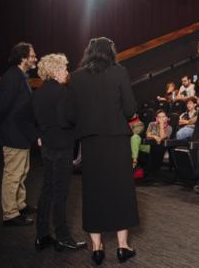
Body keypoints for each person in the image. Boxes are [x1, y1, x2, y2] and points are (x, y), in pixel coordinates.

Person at [64, 37, 138, 264]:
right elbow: (130, 108)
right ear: (111, 52)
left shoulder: (76, 77)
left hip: (91, 141)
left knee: (93, 190)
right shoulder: (120, 72)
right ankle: (123, 247)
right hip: (116, 139)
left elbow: (70, 115)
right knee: (120, 189)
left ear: (89, 52)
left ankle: (97, 247)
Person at [32, 53, 86, 251]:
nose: (66, 72)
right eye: (64, 68)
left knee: (47, 190)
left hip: (46, 147)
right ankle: (63, 236)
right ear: (55, 72)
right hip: (62, 147)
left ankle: (42, 235)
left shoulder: (38, 92)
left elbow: (31, 119)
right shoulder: (64, 93)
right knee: (61, 193)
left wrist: (39, 134)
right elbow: (68, 120)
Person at [0, 42, 38, 227]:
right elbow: (3, 107)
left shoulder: (20, 76)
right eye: (32, 55)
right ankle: (10, 214)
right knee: (13, 174)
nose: (35, 58)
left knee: (22, 171)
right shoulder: (12, 77)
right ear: (23, 58)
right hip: (12, 134)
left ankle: (19, 204)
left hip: (20, 134)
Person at [145, 110, 173, 177]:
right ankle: (149, 171)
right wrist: (155, 137)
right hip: (151, 143)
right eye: (159, 117)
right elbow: (148, 135)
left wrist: (161, 125)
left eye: (163, 117)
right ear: (156, 118)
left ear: (166, 118)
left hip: (162, 145)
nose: (161, 119)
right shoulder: (151, 124)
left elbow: (163, 137)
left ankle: (153, 171)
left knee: (158, 148)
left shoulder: (169, 128)